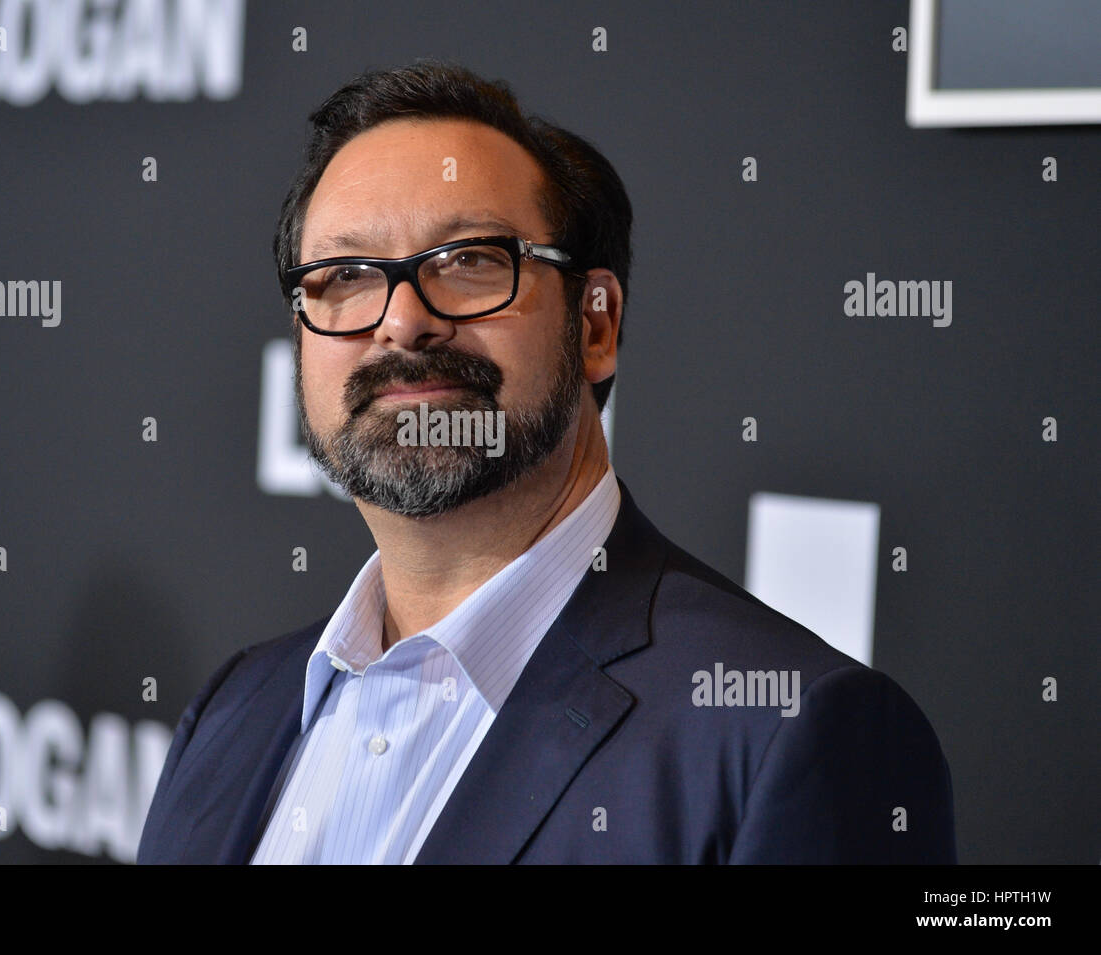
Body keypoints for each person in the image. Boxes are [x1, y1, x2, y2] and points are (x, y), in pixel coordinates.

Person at [137, 59, 957, 864]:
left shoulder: (788, 732)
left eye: (470, 261)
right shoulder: (232, 708)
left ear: (595, 326)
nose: (402, 322)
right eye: (345, 275)